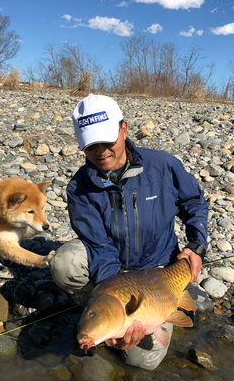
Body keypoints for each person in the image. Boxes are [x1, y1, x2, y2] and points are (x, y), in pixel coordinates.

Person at [50, 93, 208, 370]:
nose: (101, 151)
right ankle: (97, 308)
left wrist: (196, 245)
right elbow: (98, 246)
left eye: (107, 140)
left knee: (144, 362)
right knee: (65, 263)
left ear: (124, 129)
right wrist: (114, 302)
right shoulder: (79, 188)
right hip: (111, 269)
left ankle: (119, 310)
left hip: (160, 269)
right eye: (91, 145)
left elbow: (194, 202)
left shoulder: (163, 165)